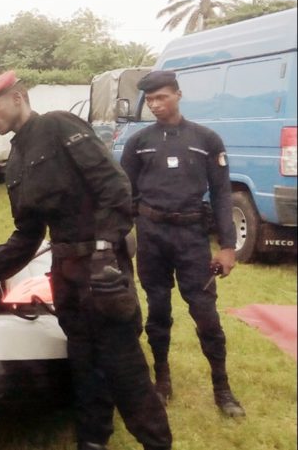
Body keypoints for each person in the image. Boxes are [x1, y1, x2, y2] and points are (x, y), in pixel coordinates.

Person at [0, 71, 172, 450]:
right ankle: (92, 443)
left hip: (101, 269)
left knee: (125, 370)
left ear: (19, 97)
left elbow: (115, 186)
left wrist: (105, 251)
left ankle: (157, 443)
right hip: (67, 273)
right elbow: (28, 233)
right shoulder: (18, 157)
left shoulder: (59, 125)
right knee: (85, 366)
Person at [120, 69, 245, 417]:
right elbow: (124, 194)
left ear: (177, 94)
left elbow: (221, 194)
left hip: (191, 237)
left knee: (206, 315)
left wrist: (227, 246)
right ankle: (161, 380)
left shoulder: (206, 139)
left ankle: (222, 388)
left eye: (162, 97)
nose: (156, 105)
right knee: (157, 312)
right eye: (151, 100)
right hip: (152, 237)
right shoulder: (138, 142)